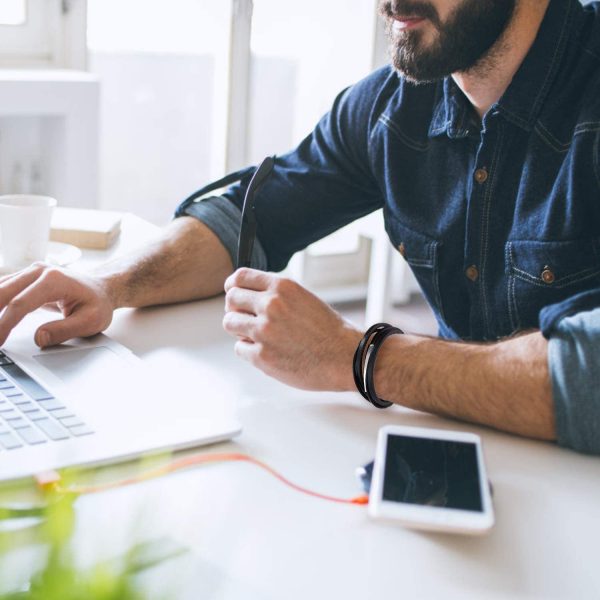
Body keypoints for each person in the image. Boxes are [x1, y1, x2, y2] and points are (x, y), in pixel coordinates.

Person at [0, 0, 599, 454]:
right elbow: (247, 217)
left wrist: (359, 357)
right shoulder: (391, 107)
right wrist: (110, 285)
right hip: (478, 469)